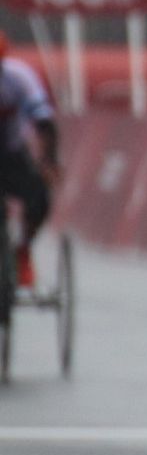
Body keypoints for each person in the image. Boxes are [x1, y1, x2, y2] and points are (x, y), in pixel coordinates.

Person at [0, 30, 61, 288]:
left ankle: (23, 249)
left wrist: (49, 161)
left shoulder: (19, 77)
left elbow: (44, 122)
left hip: (11, 154)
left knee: (40, 197)